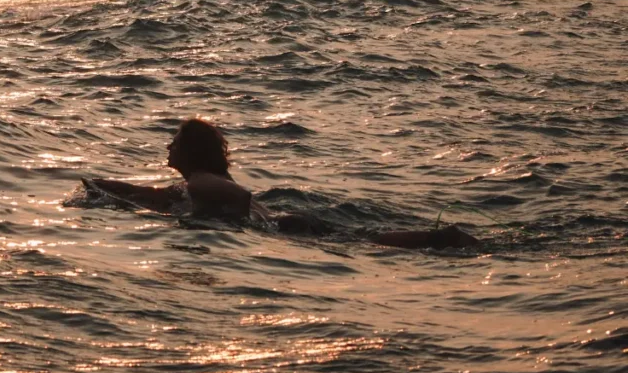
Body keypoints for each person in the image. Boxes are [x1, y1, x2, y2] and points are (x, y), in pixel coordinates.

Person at [84, 117, 479, 250]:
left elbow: (230, 199)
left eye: (175, 140)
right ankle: (437, 238)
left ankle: (440, 239)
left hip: (284, 227)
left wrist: (103, 187)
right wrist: (108, 188)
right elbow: (150, 197)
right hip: (287, 221)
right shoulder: (208, 178)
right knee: (364, 240)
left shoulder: (202, 182)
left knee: (364, 243)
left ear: (189, 152)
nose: (167, 146)